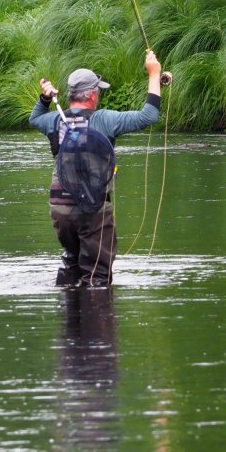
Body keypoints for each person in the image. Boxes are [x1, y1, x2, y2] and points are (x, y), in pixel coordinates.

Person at [29, 49, 163, 287]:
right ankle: (95, 308)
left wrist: (45, 99)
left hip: (60, 210)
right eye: (98, 90)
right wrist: (154, 74)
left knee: (73, 262)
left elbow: (34, 118)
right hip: (93, 210)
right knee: (97, 279)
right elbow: (149, 115)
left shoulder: (54, 120)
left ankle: (69, 305)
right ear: (92, 95)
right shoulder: (104, 120)